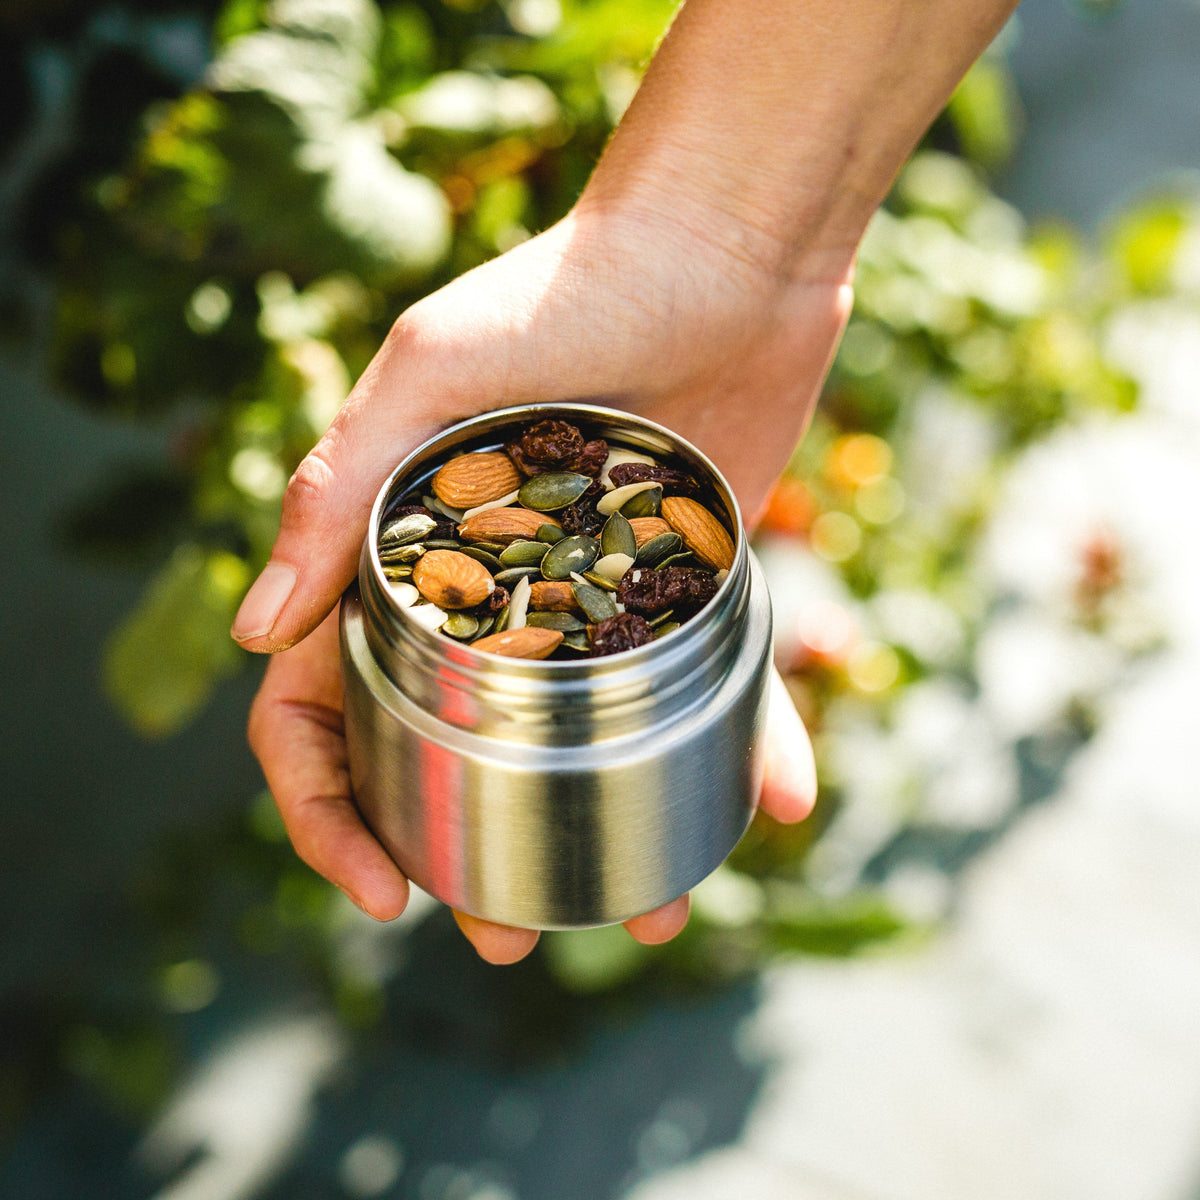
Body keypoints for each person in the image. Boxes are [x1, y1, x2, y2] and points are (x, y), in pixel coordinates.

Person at [231, 0, 1020, 963]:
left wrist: (738, 242)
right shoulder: (487, 557)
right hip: (473, 608)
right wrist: (727, 238)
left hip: (612, 605)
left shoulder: (607, 543)